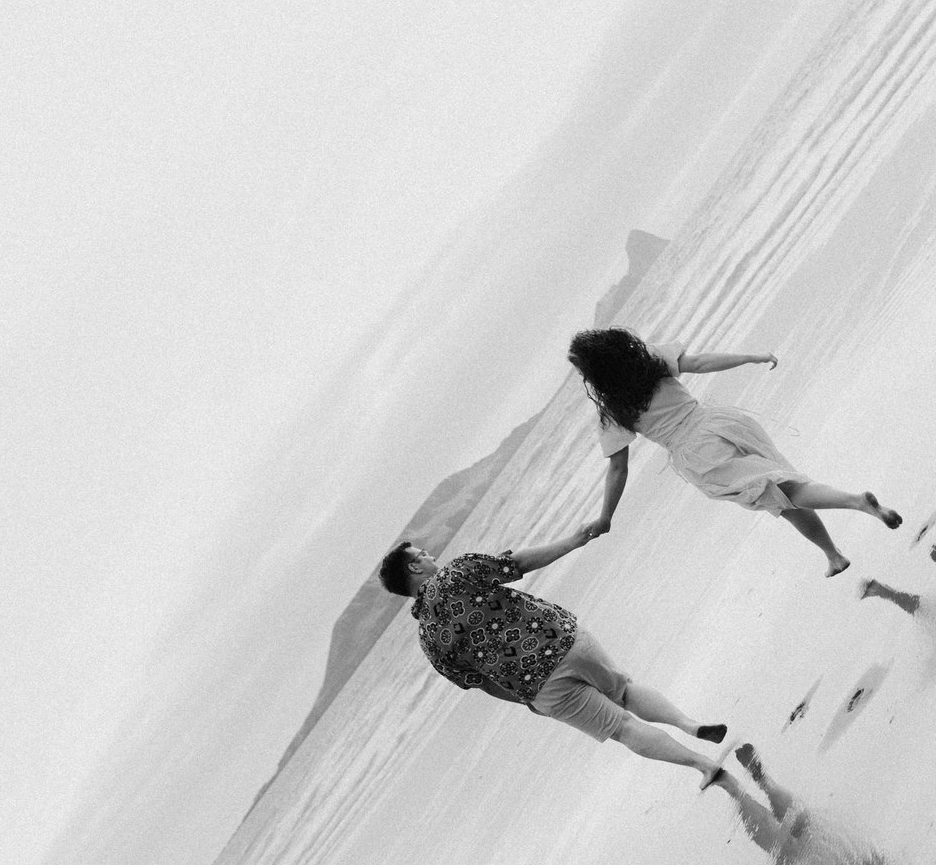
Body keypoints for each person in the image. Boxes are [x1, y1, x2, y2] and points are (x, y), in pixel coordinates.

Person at [378, 527, 738, 786]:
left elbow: (483, 684)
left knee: (623, 729)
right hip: (564, 639)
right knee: (625, 690)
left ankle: (702, 765)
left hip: (541, 688)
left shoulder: (429, 641)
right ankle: (689, 724)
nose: (429, 555)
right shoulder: (455, 574)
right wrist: (574, 539)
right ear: (414, 568)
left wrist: (527, 700)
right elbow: (516, 563)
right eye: (422, 554)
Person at [566, 326, 899, 576]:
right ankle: (833, 555)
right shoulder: (649, 361)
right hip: (721, 421)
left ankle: (856, 502)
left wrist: (606, 517)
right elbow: (700, 363)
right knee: (782, 490)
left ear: (594, 373)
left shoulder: (612, 411)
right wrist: (751, 356)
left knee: (785, 491)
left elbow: (618, 469)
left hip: (699, 456)